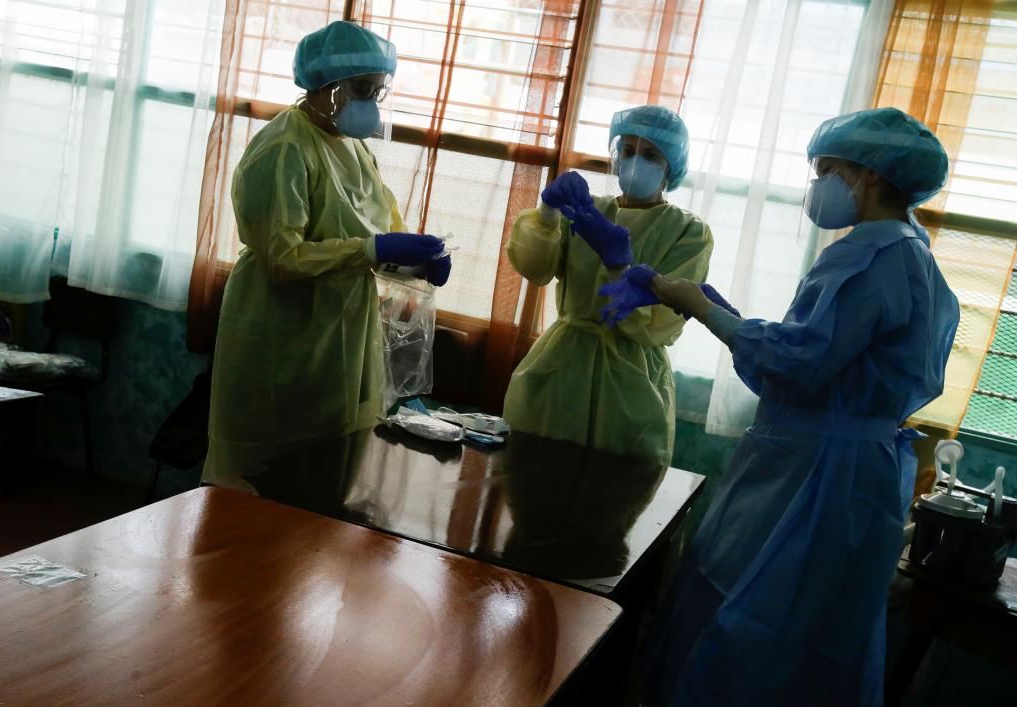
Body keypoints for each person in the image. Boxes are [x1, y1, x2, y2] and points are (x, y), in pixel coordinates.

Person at [601, 107, 958, 707]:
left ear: (867, 178)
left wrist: (698, 305)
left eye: (826, 172)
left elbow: (797, 366)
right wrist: (713, 307)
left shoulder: (869, 257)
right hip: (822, 468)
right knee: (728, 635)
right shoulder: (907, 256)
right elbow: (814, 357)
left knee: (757, 661)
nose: (818, 187)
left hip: (817, 481)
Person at [203, 21, 451, 487]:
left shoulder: (353, 146)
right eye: (361, 89)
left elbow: (378, 226)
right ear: (324, 84)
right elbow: (283, 257)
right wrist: (373, 249)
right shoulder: (283, 148)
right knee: (268, 474)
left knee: (330, 465)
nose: (370, 104)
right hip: (284, 328)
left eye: (377, 92)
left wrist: (414, 258)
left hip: (342, 327)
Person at [502, 105, 712, 466]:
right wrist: (548, 213)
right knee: (534, 480)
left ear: (670, 167)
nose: (635, 162)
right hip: (561, 365)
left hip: (632, 379)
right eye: (627, 151)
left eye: (650, 155)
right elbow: (536, 268)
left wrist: (620, 269)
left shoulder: (688, 233)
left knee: (611, 493)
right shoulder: (586, 212)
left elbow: (663, 321)